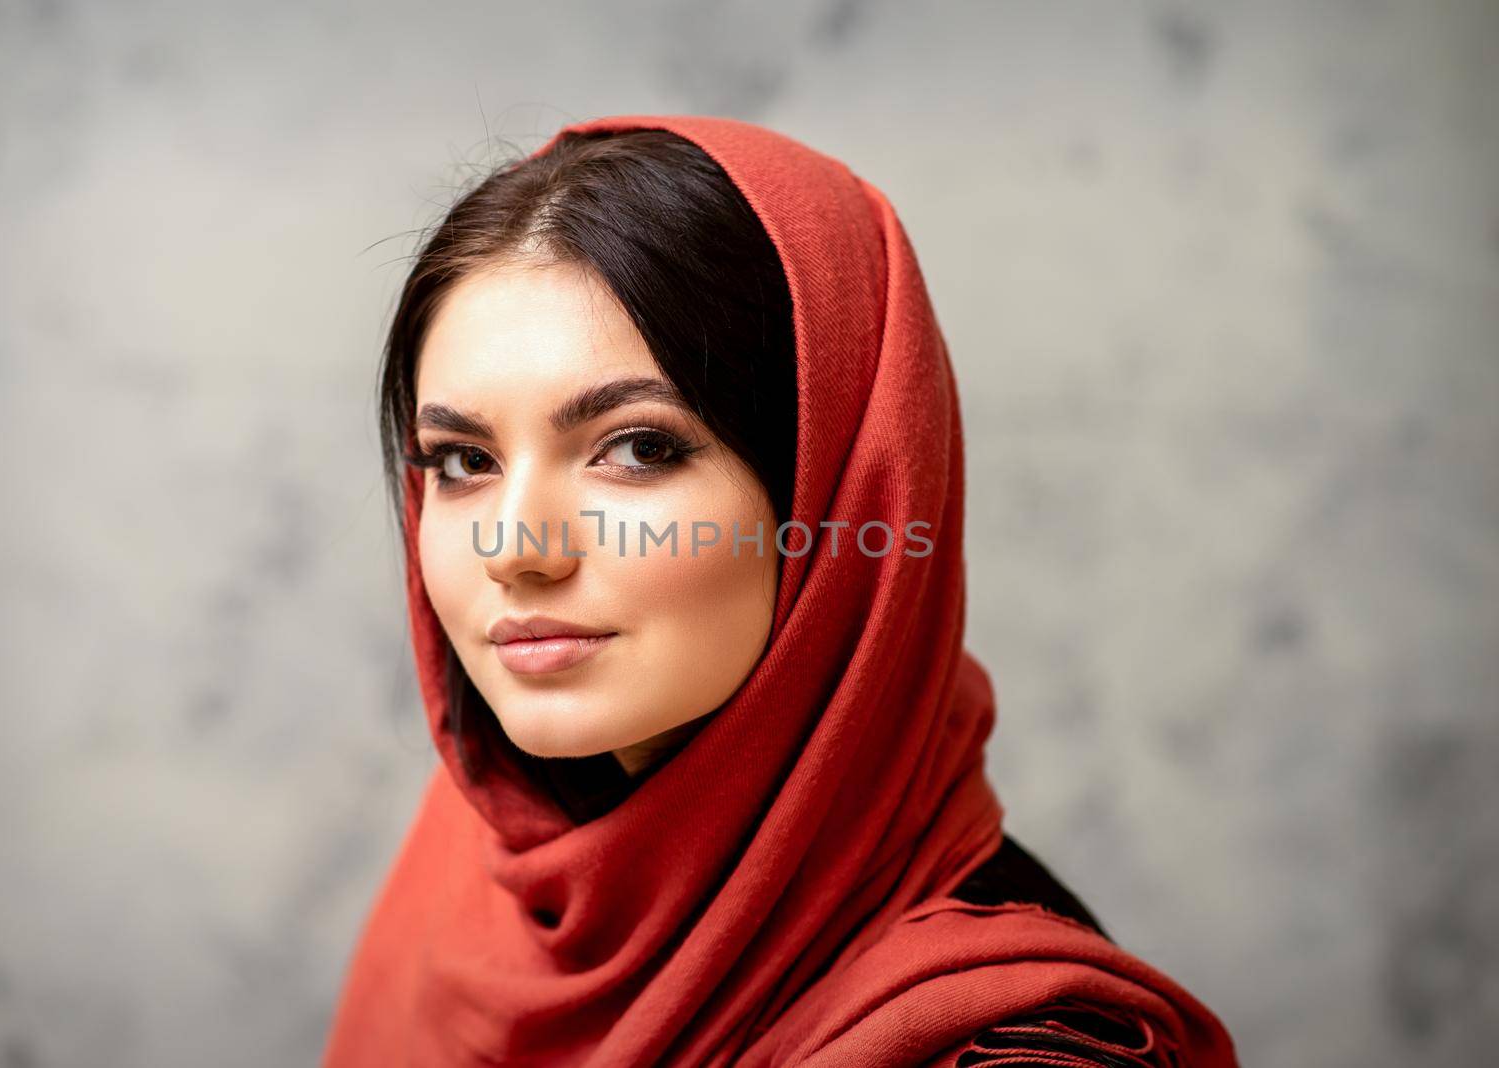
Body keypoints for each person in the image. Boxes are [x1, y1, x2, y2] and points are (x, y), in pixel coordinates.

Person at [322, 114, 1240, 1066]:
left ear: (837, 492)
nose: (516, 547)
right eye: (464, 460)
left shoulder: (1007, 1051)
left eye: (638, 449)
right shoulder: (487, 865)